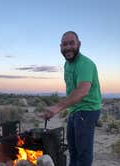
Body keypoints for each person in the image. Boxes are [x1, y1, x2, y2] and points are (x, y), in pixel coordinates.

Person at [43, 31, 101, 166]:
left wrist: (57, 107)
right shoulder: (67, 64)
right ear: (60, 47)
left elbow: (82, 90)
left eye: (71, 43)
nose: (68, 47)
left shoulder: (85, 64)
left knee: (83, 153)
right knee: (73, 150)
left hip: (88, 110)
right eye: (64, 44)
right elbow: (72, 91)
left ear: (79, 44)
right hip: (74, 109)